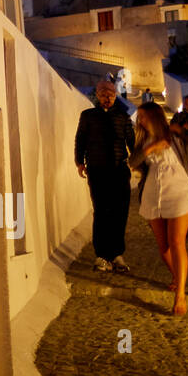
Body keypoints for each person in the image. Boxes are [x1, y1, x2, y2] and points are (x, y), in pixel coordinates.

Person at [129, 102, 188, 315]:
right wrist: (151, 148)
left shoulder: (174, 136)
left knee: (177, 242)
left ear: (154, 117)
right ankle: (177, 277)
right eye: (139, 117)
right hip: (153, 193)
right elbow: (133, 162)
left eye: (143, 116)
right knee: (164, 248)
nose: (140, 120)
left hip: (178, 190)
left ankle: (181, 296)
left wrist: (185, 131)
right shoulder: (142, 140)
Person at [75, 80, 135, 273]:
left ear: (115, 95)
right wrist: (79, 162)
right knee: (101, 212)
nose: (107, 97)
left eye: (110, 93)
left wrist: (140, 162)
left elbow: (132, 141)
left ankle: (117, 254)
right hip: (97, 169)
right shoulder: (88, 116)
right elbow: (81, 139)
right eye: (103, 93)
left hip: (119, 170)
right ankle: (101, 255)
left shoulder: (123, 117)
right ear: (97, 96)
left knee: (120, 212)